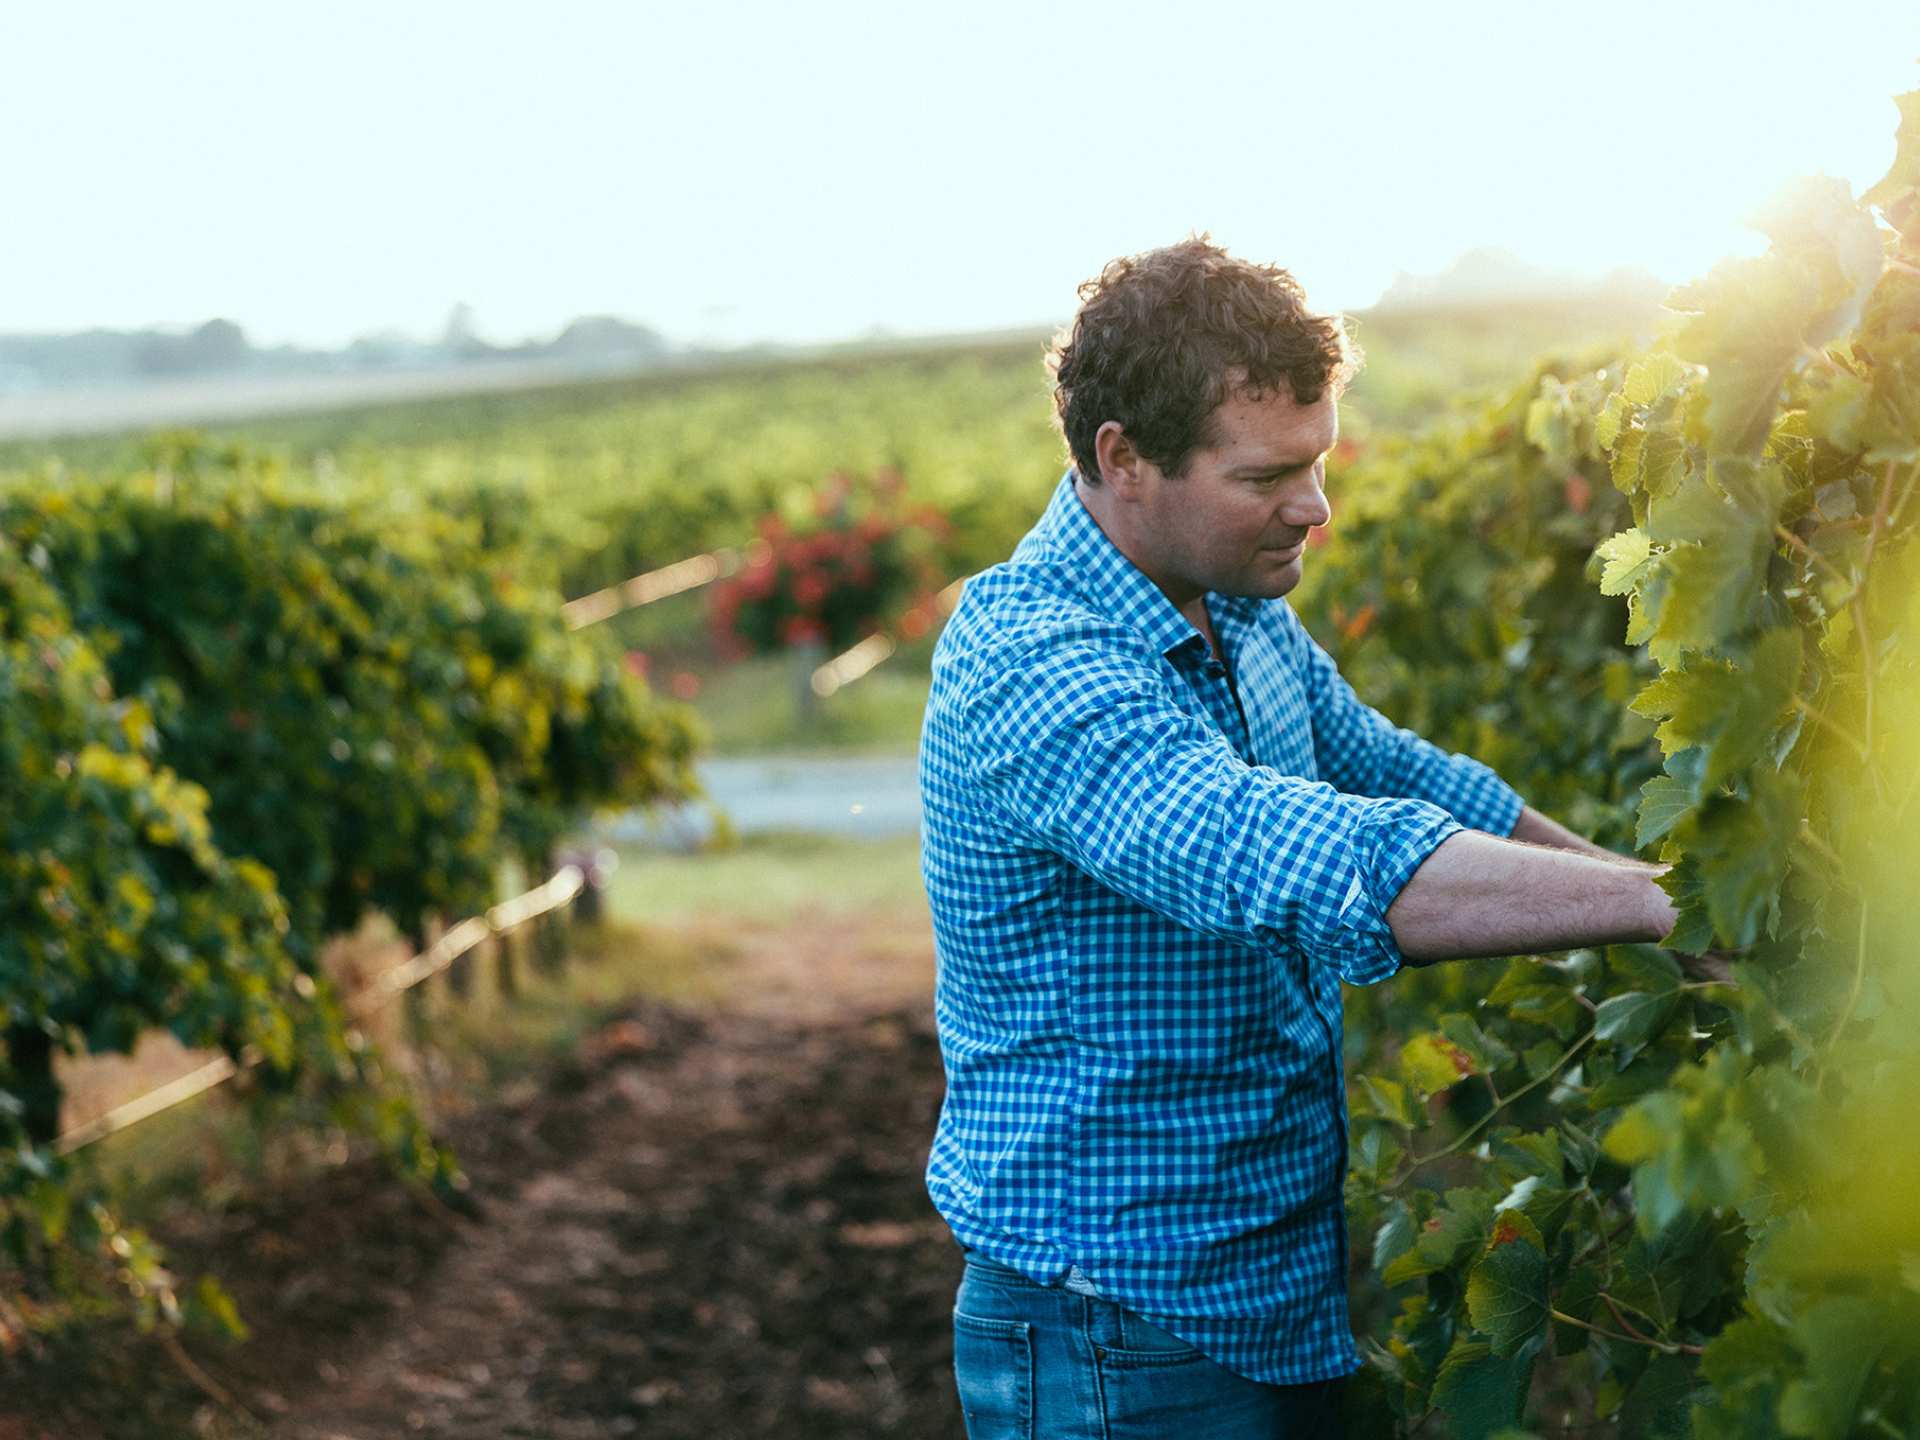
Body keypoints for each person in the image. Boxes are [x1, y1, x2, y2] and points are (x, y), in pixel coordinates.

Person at [914, 237, 1678, 1439]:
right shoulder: (1032, 663)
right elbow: (1279, 852)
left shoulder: (1233, 599)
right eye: (1268, 474)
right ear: (1123, 457)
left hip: (1269, 1295)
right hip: (1116, 1329)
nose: (1314, 508)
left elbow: (1400, 776)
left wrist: (1661, 886)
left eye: (1319, 463)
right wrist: (1668, 911)